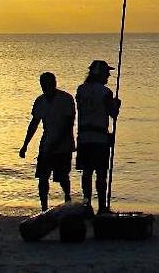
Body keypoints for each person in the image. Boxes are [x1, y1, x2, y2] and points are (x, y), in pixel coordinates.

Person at [19, 72, 76, 211]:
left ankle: (67, 198)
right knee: (43, 177)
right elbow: (34, 123)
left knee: (62, 177)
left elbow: (69, 123)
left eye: (49, 83)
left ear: (54, 83)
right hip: (46, 144)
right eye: (43, 84)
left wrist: (59, 141)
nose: (46, 87)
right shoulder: (40, 101)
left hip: (64, 145)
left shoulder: (66, 99)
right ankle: (44, 207)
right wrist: (25, 145)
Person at [75, 60, 120, 214]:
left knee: (86, 173)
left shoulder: (80, 90)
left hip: (83, 137)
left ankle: (87, 205)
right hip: (99, 138)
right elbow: (113, 113)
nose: (108, 75)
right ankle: (102, 207)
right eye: (106, 72)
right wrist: (116, 105)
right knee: (101, 173)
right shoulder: (105, 92)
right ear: (99, 74)